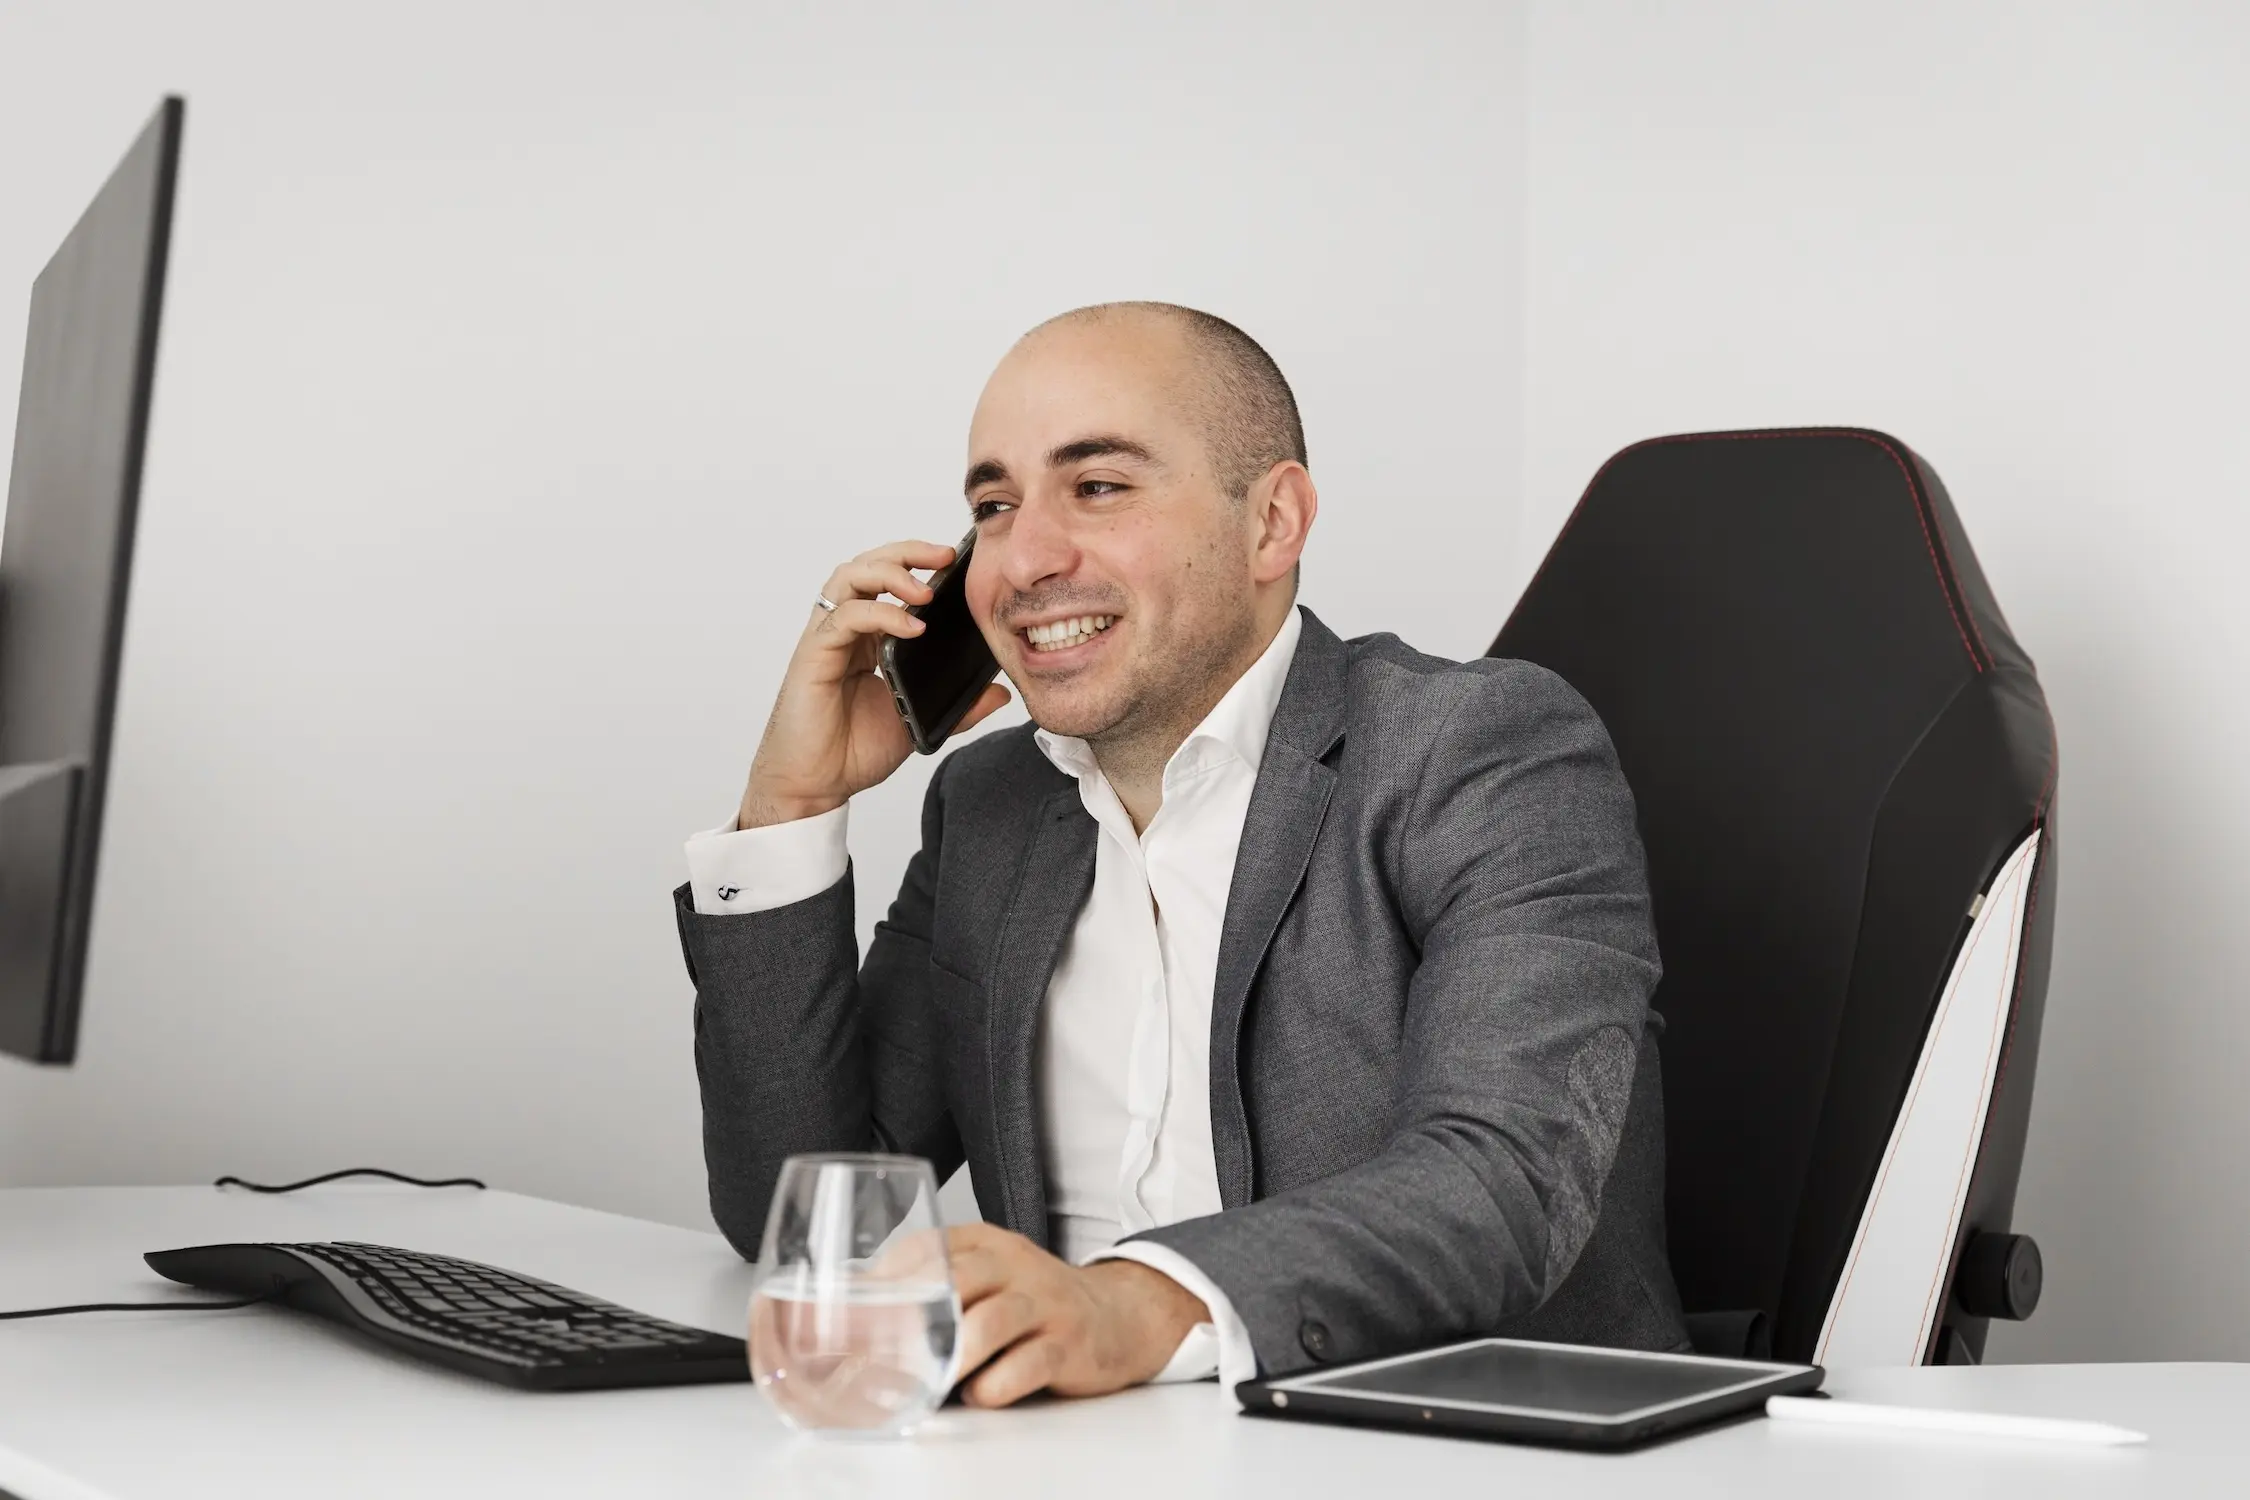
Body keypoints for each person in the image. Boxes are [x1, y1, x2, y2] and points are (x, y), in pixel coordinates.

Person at [675, 301, 1687, 1409]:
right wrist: (791, 804)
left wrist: (1130, 1303)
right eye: (994, 505)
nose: (1024, 559)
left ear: (1273, 523)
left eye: (1097, 487)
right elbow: (804, 1211)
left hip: (1461, 1449)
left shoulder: (1481, 750)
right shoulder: (989, 805)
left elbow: (1510, 1175)